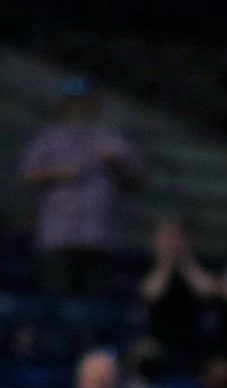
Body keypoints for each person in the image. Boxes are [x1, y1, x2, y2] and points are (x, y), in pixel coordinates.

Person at [20, 80, 145, 296]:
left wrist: (118, 163)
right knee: (57, 300)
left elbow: (139, 180)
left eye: (85, 101)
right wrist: (58, 173)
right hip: (59, 236)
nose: (80, 107)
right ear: (65, 104)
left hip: (99, 235)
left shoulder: (112, 138)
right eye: (75, 101)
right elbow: (27, 175)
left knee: (93, 304)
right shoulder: (49, 138)